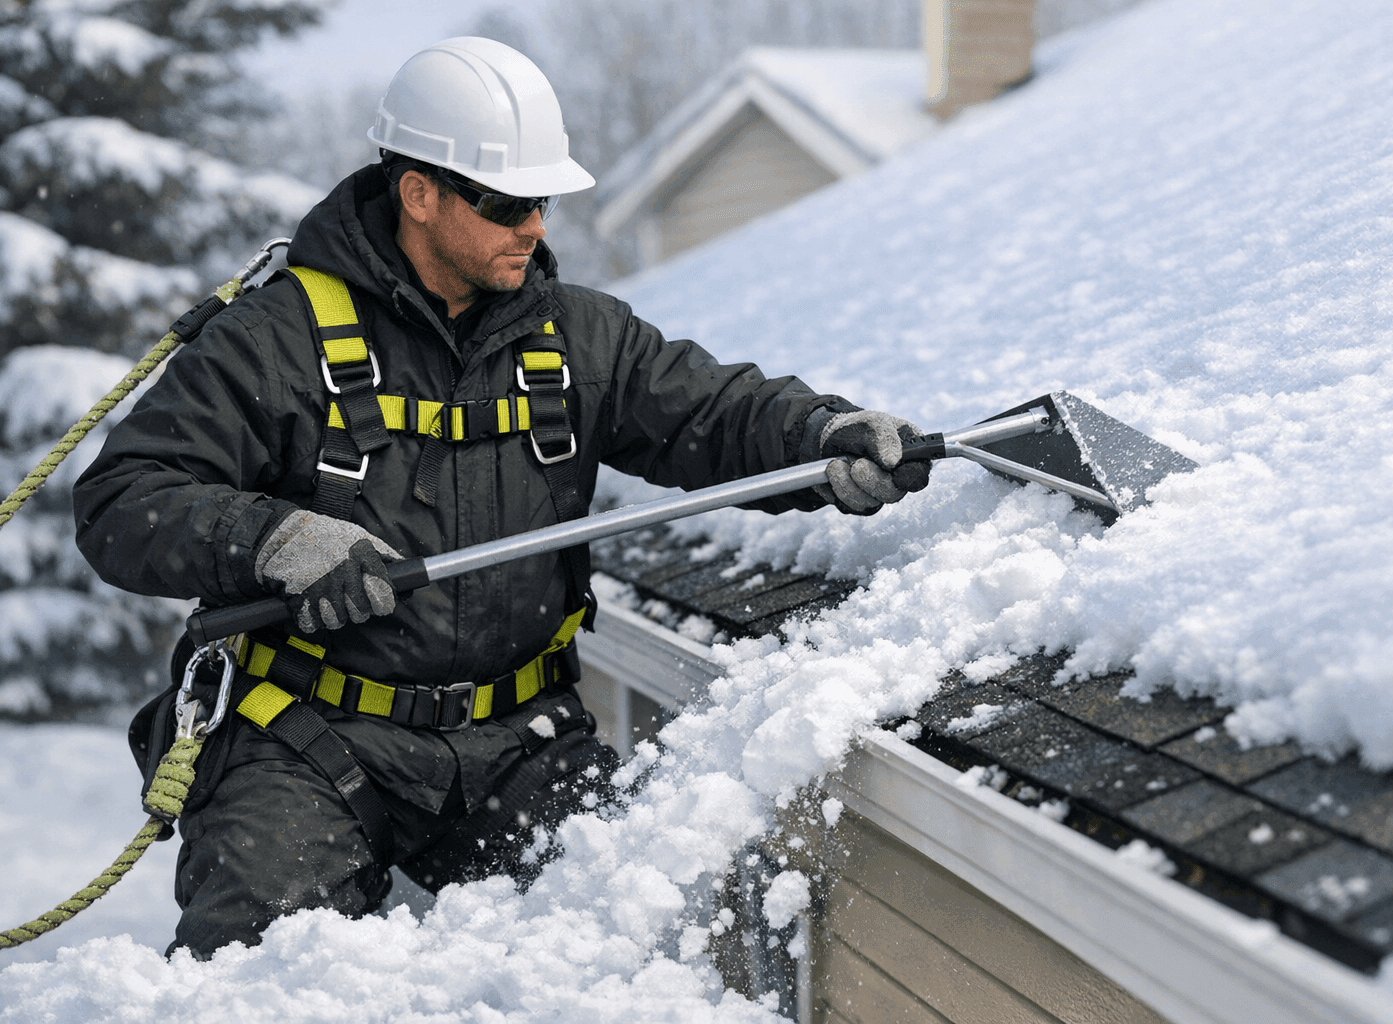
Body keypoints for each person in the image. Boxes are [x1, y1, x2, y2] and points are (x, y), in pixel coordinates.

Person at [73, 37, 930, 958]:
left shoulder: (577, 337)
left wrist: (821, 436)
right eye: (509, 204)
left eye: (544, 202)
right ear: (420, 195)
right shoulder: (275, 340)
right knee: (253, 978)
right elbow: (122, 498)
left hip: (522, 744)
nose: (535, 228)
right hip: (308, 743)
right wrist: (272, 537)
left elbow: (714, 412)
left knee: (633, 942)